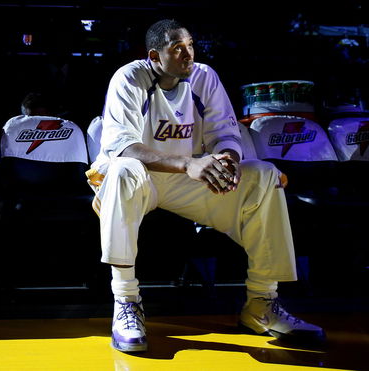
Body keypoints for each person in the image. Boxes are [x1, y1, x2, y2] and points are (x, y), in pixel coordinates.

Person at [85, 19, 325, 353]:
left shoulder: (204, 76)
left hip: (189, 179)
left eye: (191, 46)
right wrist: (189, 163)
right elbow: (124, 146)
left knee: (264, 175)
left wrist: (226, 159)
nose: (188, 55)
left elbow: (225, 134)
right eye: (177, 49)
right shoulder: (129, 77)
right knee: (124, 170)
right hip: (140, 179)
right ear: (155, 56)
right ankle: (126, 302)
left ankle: (261, 303)